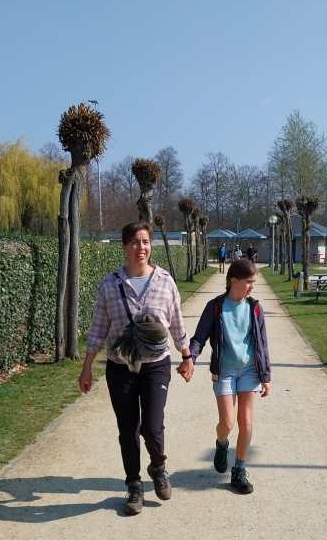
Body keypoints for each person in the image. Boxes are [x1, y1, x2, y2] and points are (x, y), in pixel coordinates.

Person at [79, 221, 194, 516]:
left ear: (150, 245)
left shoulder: (165, 281)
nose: (140, 247)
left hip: (156, 365)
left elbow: (176, 321)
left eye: (145, 241)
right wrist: (87, 367)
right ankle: (133, 485)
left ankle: (158, 467)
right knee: (127, 429)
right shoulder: (110, 284)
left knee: (152, 426)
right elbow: (98, 329)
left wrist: (187, 355)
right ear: (124, 246)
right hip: (120, 367)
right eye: (134, 242)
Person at [187, 258, 271, 495]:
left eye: (254, 283)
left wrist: (266, 377)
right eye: (248, 282)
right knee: (227, 423)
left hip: (249, 371)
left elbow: (262, 345)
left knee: (246, 422)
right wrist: (190, 358)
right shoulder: (215, 307)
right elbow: (199, 338)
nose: (252, 287)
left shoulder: (255, 308)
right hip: (224, 371)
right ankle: (222, 443)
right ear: (233, 281)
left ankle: (239, 470)